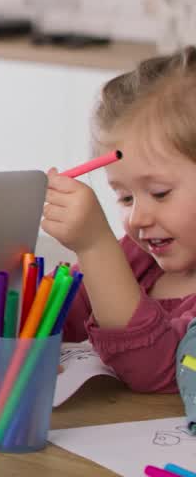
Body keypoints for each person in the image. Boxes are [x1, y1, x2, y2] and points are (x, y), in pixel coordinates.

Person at [43, 46, 196, 392]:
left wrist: (95, 245)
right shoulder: (139, 257)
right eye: (125, 197)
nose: (137, 217)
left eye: (159, 193)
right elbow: (55, 308)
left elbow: (154, 368)